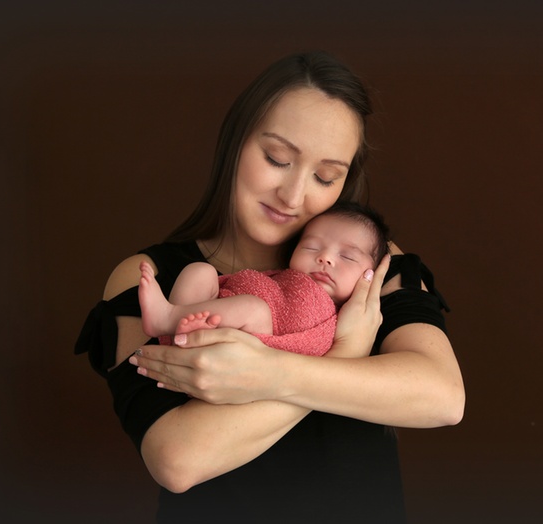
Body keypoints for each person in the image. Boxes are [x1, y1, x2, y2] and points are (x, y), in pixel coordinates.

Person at [75, 50, 465, 523]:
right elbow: (177, 458)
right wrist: (344, 353)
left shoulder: (366, 263)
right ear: (236, 143)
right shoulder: (150, 278)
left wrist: (270, 373)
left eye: (326, 176)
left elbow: (441, 396)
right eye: (277, 159)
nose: (294, 196)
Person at [138, 202, 391, 357]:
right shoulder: (280, 279)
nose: (325, 258)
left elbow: (307, 354)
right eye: (312, 248)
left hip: (251, 352)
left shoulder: (344, 319)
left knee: (255, 308)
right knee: (200, 271)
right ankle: (180, 332)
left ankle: (166, 318)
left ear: (371, 276)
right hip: (213, 322)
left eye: (347, 256)